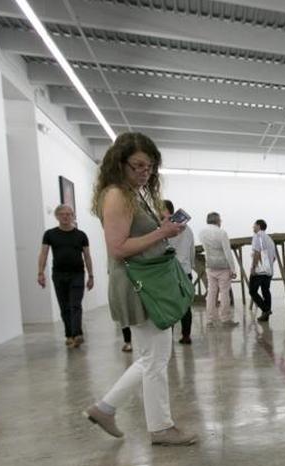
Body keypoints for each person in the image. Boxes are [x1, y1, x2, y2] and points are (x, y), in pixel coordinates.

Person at [82, 132, 196, 447]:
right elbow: (118, 247)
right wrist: (162, 232)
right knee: (156, 359)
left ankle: (104, 408)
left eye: (149, 167)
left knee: (150, 356)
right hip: (138, 285)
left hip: (143, 282)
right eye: (138, 166)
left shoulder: (132, 193)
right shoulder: (118, 194)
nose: (145, 172)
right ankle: (161, 428)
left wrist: (163, 229)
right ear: (120, 164)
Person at [37, 204, 94, 347]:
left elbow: (87, 256)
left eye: (69, 214)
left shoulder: (81, 235)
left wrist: (91, 275)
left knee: (75, 304)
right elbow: (44, 253)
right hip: (59, 274)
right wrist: (40, 272)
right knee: (64, 306)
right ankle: (69, 334)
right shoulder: (50, 234)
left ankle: (77, 334)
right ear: (57, 216)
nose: (66, 216)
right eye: (62, 214)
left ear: (73, 216)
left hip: (77, 274)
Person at [200, 212, 238, 327]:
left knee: (211, 293)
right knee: (224, 293)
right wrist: (233, 269)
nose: (221, 221)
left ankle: (209, 320)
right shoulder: (222, 233)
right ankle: (225, 318)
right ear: (217, 221)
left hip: (210, 265)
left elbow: (205, 248)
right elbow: (227, 252)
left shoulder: (202, 233)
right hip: (223, 266)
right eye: (220, 220)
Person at [165, 199, 195, 344]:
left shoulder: (164, 229)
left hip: (170, 272)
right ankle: (186, 335)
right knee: (185, 306)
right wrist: (191, 266)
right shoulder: (188, 229)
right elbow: (192, 251)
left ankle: (168, 336)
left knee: (169, 304)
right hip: (185, 271)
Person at [249, 219, 275, 322]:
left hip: (259, 270)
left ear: (259, 226)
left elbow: (257, 252)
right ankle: (266, 315)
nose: (253, 227)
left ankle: (266, 309)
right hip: (269, 270)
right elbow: (273, 258)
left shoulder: (257, 236)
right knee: (266, 291)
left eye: (254, 225)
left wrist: (253, 267)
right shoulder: (269, 239)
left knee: (252, 291)